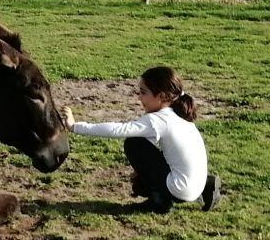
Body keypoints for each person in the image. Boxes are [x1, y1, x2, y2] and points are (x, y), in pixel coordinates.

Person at [62, 66, 221, 214]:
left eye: (143, 92)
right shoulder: (179, 114)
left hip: (180, 189)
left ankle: (159, 201)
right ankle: (207, 185)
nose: (139, 97)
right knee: (147, 146)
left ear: (163, 96)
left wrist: (75, 126)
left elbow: (118, 129)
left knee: (134, 143)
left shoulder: (157, 120)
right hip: (195, 184)